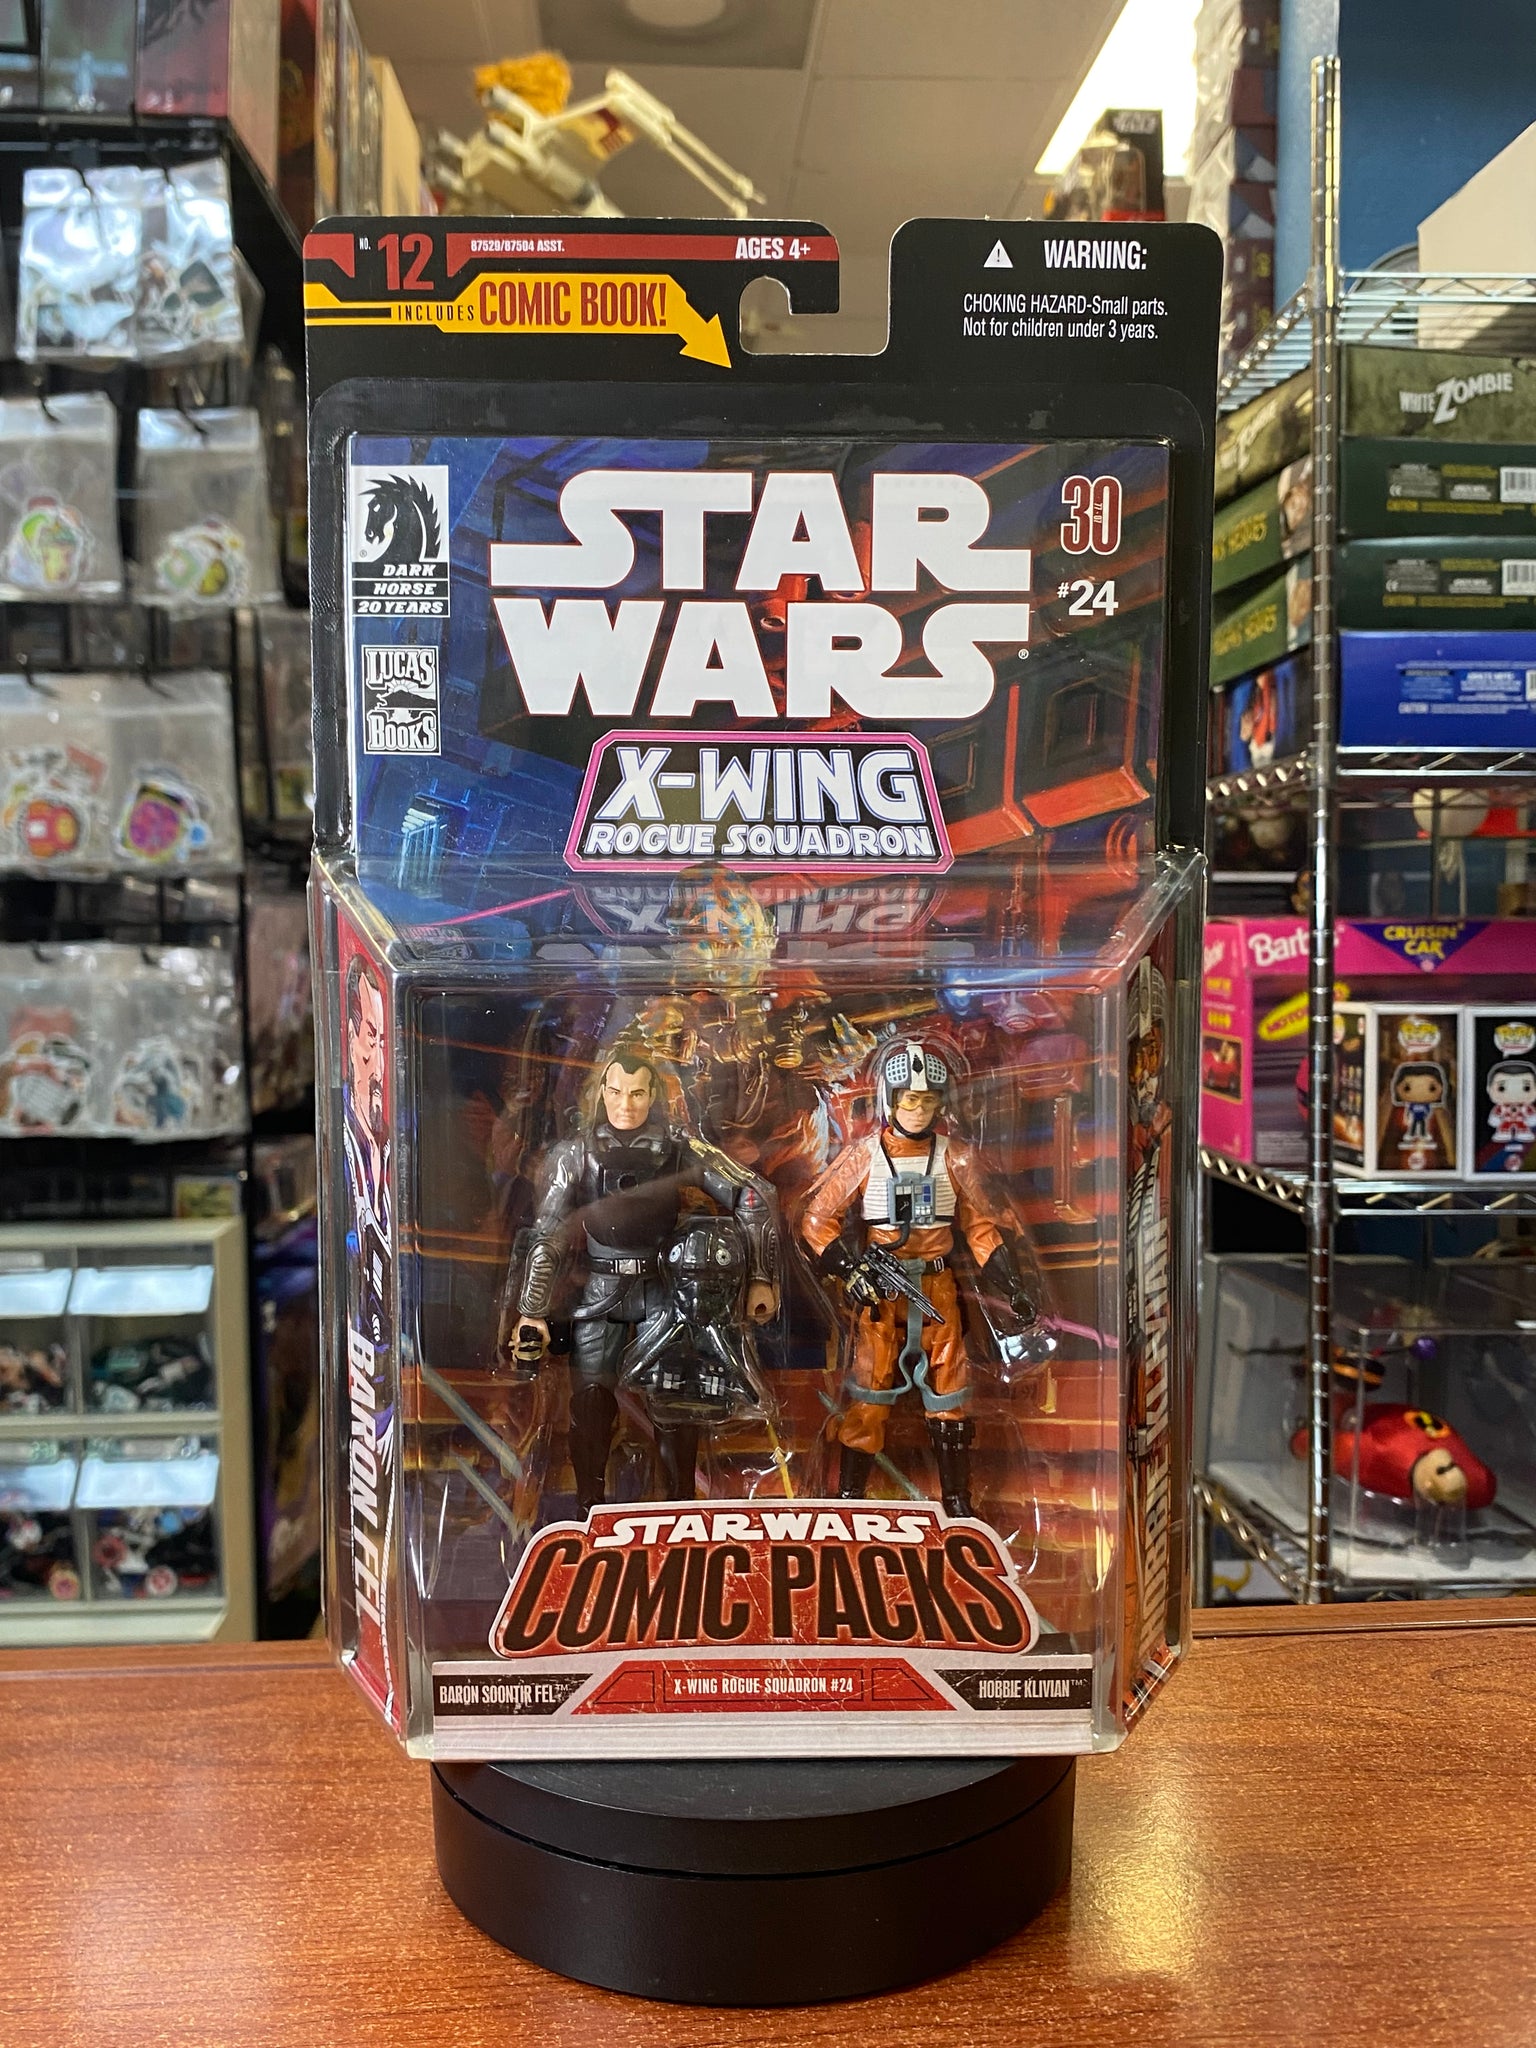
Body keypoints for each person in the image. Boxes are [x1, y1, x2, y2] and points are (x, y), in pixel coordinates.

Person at [505, 1049, 781, 1511]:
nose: (626, 1105)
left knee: (677, 1400)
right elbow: (548, 1232)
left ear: (653, 1095)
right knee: (590, 1404)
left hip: (666, 1292)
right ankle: (590, 1510)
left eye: (636, 1093)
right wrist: (531, 1311)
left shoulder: (679, 1149)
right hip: (600, 1291)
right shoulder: (575, 1154)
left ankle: (681, 1507)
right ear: (602, 1093)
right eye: (616, 1092)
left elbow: (752, 1196)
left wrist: (758, 1277)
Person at [799, 1040, 1049, 1517]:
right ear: (891, 1101)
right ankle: (849, 1500)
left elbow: (982, 1227)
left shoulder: (956, 1158)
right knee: (869, 1391)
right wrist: (850, 1269)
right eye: (910, 1099)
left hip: (937, 1287)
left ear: (941, 1103)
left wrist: (1013, 1286)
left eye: (928, 1100)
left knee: (950, 1392)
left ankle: (957, 1503)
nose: (918, 1110)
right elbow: (816, 1220)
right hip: (881, 1292)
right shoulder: (864, 1157)